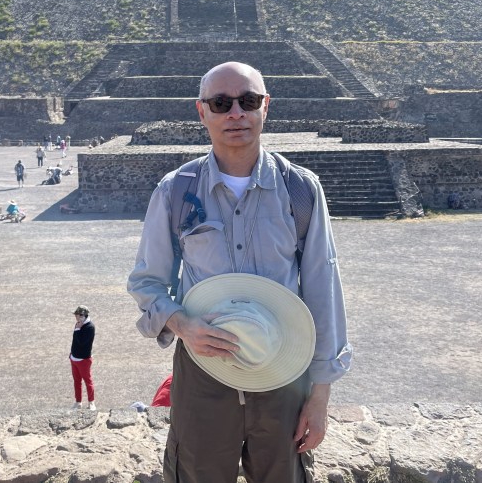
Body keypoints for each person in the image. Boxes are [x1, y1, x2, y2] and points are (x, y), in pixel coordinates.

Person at [128, 61, 351, 483]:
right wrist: (182, 324)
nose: (236, 113)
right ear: (202, 112)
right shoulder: (176, 190)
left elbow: (323, 287)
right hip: (202, 370)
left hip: (284, 372)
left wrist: (320, 396)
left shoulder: (300, 189)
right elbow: (147, 282)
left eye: (248, 101)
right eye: (221, 103)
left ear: (266, 107)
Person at [70, 305, 96, 411]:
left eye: (77, 315)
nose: (76, 317)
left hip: (84, 359)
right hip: (74, 358)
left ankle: (91, 402)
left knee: (87, 381)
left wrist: (77, 330)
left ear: (83, 315)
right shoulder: (78, 325)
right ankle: (78, 402)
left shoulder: (90, 327)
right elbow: (74, 341)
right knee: (76, 381)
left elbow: (81, 342)